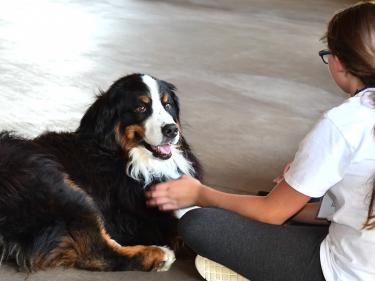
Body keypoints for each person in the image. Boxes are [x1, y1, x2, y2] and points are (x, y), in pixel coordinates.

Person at [146, 2, 375, 281]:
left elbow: (271, 214)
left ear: (338, 62)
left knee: (199, 223)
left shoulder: (344, 123)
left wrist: (200, 194)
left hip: (347, 271)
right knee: (297, 192)